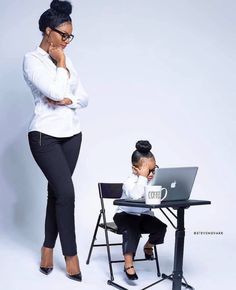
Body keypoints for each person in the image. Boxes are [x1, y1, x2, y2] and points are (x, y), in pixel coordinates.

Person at [23, 0, 88, 282]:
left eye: (70, 36)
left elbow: (84, 98)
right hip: (43, 136)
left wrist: (66, 100)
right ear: (48, 31)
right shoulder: (31, 60)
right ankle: (70, 255)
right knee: (67, 193)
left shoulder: (67, 59)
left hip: (72, 136)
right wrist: (61, 66)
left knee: (57, 194)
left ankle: (47, 248)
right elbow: (52, 89)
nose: (67, 41)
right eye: (64, 35)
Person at [113, 140, 167, 280]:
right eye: (147, 170)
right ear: (134, 169)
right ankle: (128, 263)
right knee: (132, 230)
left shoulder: (151, 181)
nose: (151, 173)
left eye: (154, 169)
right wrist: (142, 178)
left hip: (143, 216)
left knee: (161, 227)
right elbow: (136, 195)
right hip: (125, 215)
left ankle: (148, 245)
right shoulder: (129, 182)